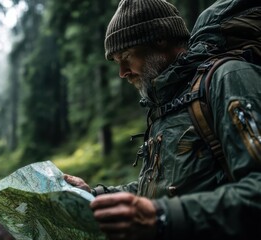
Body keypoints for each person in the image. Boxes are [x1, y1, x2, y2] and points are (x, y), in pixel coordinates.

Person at [64, 0, 261, 239]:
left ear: (159, 40)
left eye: (126, 56)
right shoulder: (168, 104)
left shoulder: (227, 79)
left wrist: (162, 217)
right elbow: (161, 191)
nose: (122, 72)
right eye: (117, 62)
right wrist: (94, 196)